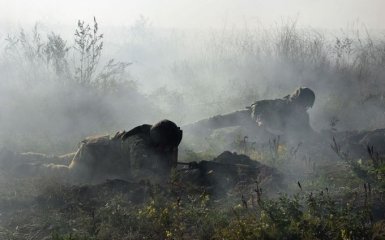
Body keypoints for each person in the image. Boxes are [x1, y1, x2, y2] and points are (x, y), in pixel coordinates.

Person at [0, 119, 183, 183]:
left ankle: (10, 157)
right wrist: (166, 179)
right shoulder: (138, 144)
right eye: (166, 146)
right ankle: (25, 168)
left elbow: (163, 159)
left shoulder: (153, 136)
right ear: (159, 141)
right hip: (93, 154)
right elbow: (140, 174)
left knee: (57, 158)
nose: (167, 150)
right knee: (71, 177)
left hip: (98, 153)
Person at [183, 87, 316, 142]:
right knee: (216, 121)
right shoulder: (281, 104)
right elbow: (257, 105)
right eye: (302, 105)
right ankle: (184, 130)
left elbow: (307, 133)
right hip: (249, 118)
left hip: (257, 135)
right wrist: (260, 119)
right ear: (295, 101)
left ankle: (210, 140)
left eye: (306, 107)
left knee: (228, 140)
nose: (303, 109)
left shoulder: (302, 118)